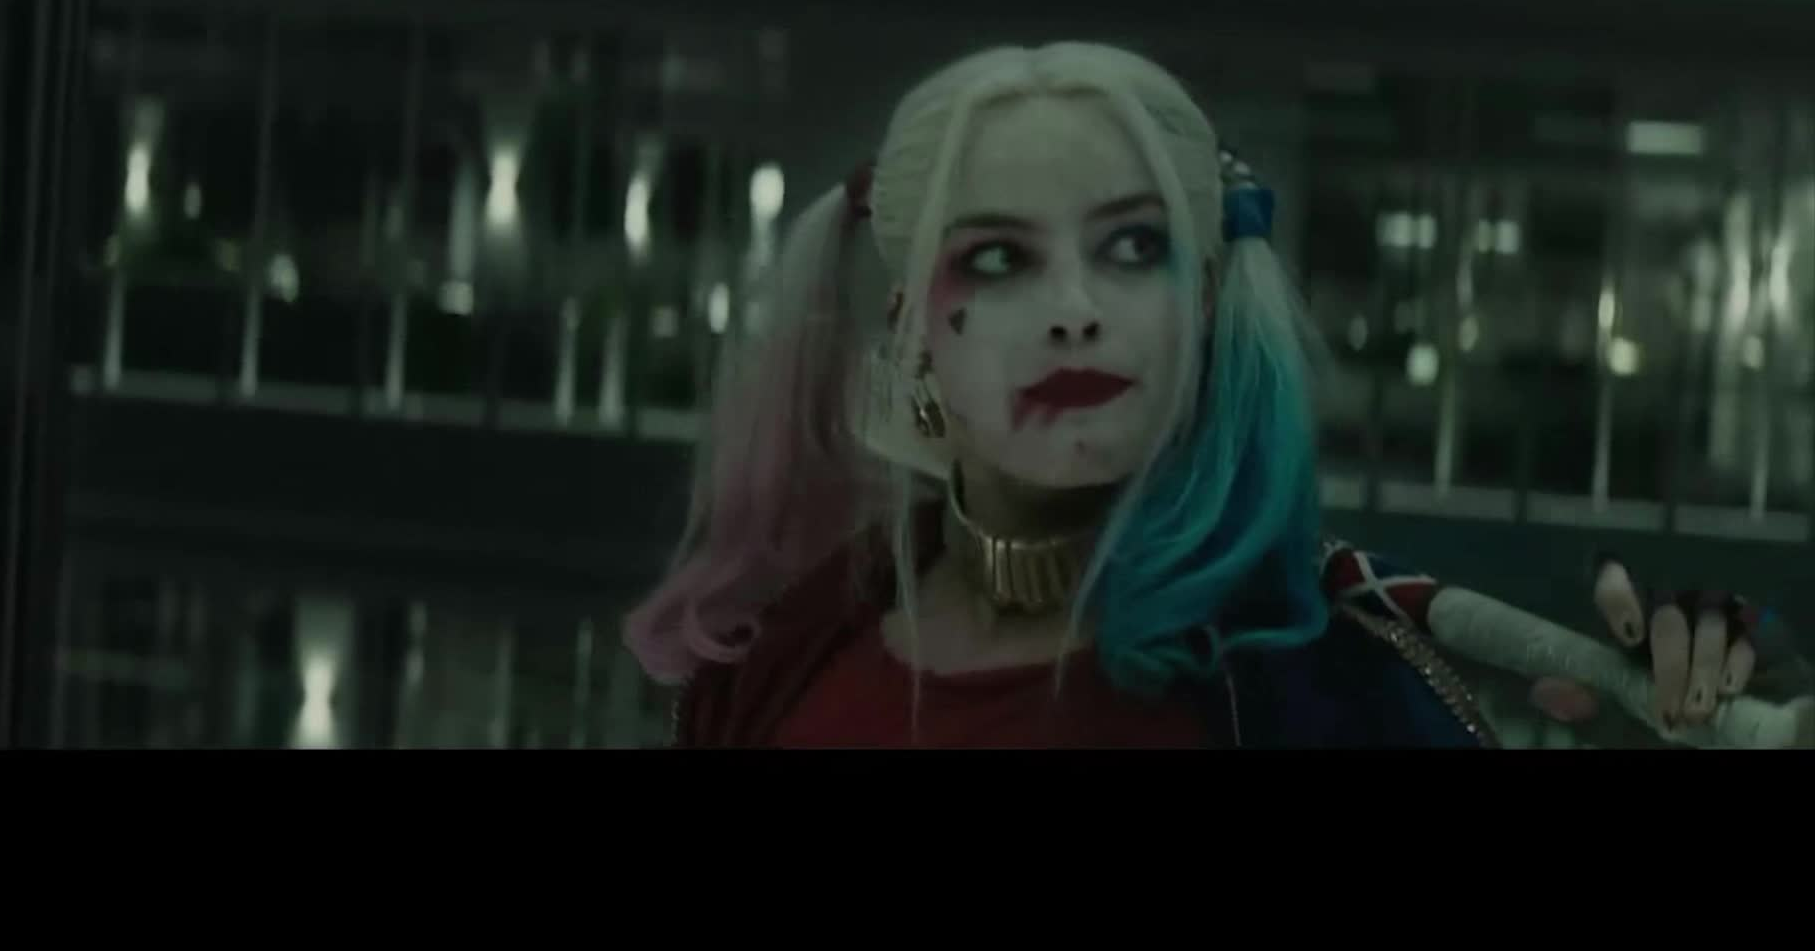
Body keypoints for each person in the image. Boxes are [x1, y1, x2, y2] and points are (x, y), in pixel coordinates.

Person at [623, 43, 1811, 749]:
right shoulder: (777, 659)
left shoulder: (1328, 688)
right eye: (998, 257)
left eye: (1132, 247)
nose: (1074, 307)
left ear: (1201, 301)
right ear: (914, 330)